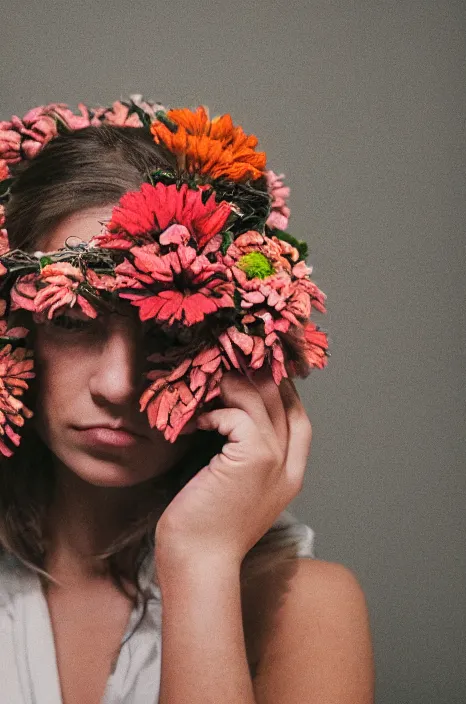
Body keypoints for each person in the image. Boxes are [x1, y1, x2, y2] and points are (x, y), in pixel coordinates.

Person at [0, 102, 374, 703]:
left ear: (235, 350)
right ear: (12, 330)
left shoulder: (304, 609)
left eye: (172, 332)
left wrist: (202, 562)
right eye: (71, 320)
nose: (118, 385)